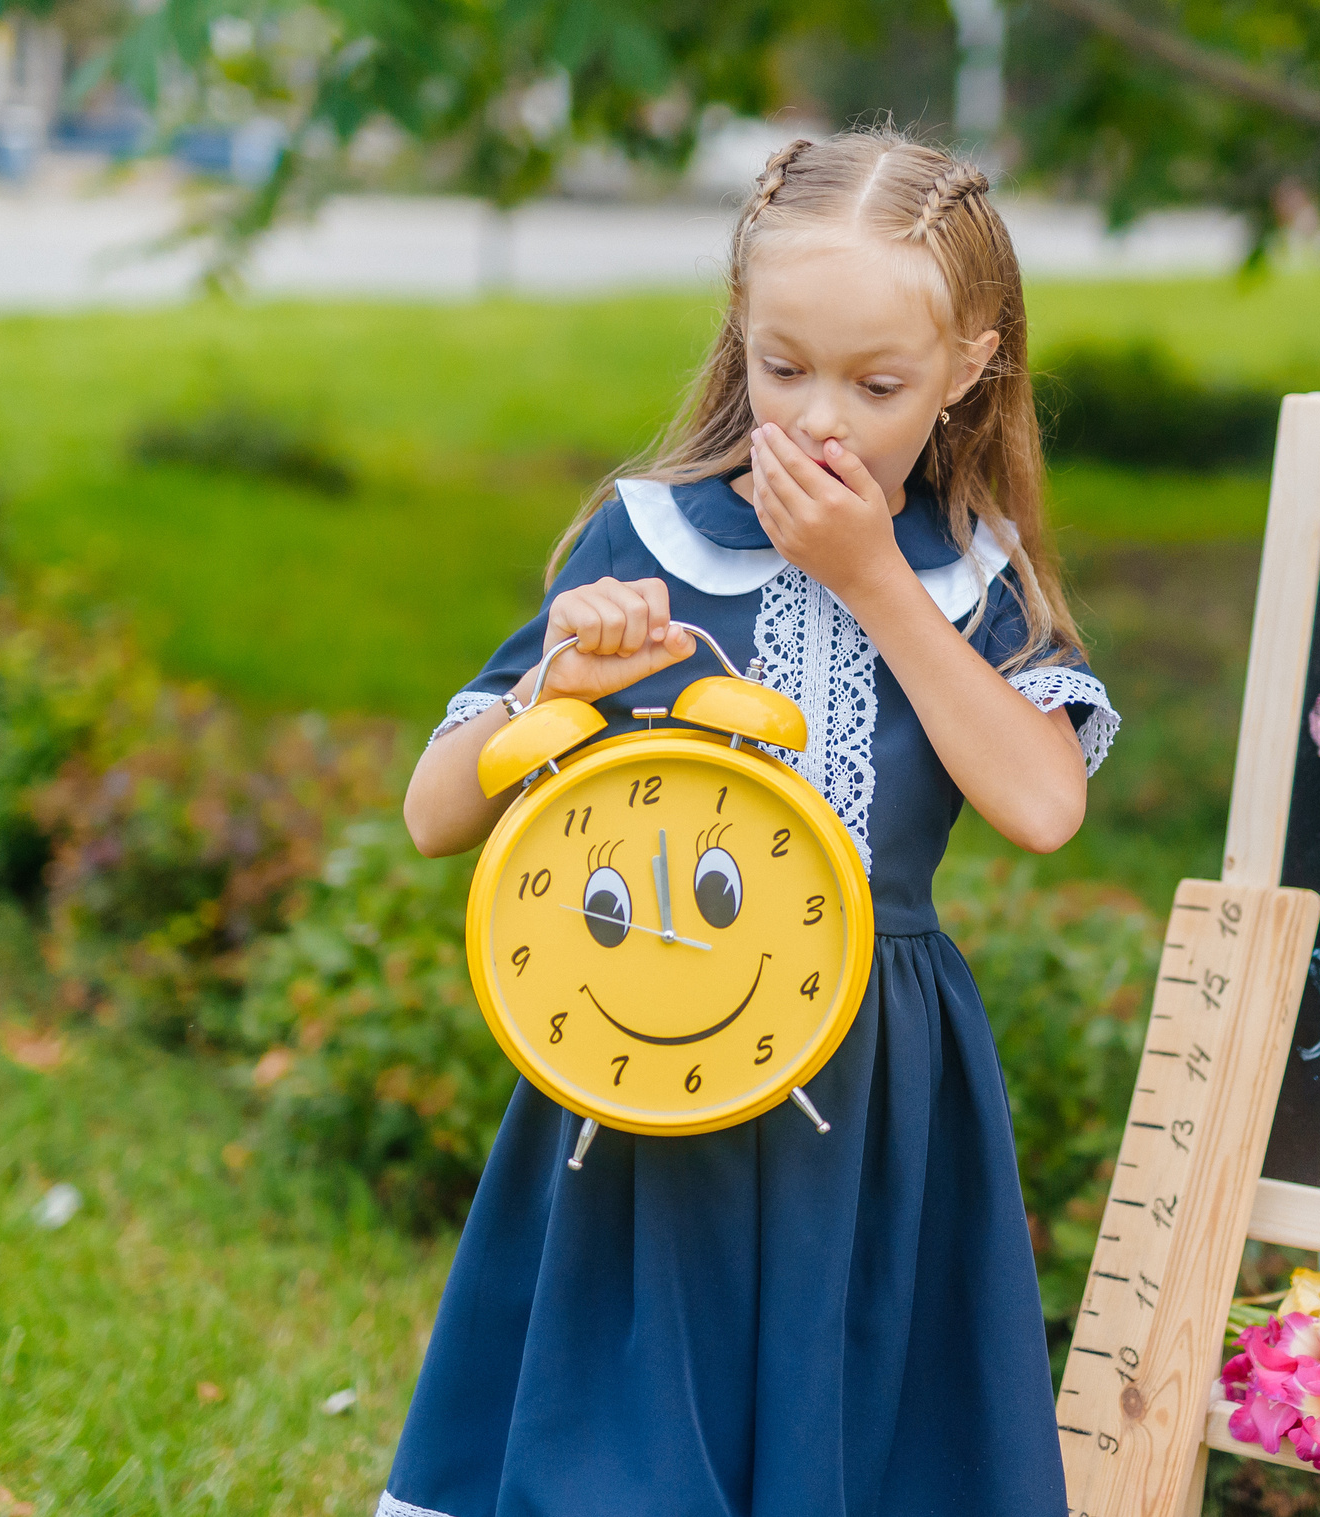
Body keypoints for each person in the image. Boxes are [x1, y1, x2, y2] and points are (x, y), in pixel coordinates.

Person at [382, 129, 1117, 1517]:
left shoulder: (970, 572)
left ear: (970, 366)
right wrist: (559, 680)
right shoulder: (645, 537)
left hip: (875, 1083)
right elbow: (432, 816)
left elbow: (1041, 802)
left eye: (877, 381)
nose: (820, 417)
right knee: (627, 1441)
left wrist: (872, 581)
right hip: (643, 1066)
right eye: (785, 367)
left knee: (856, 1425)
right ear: (741, 333)